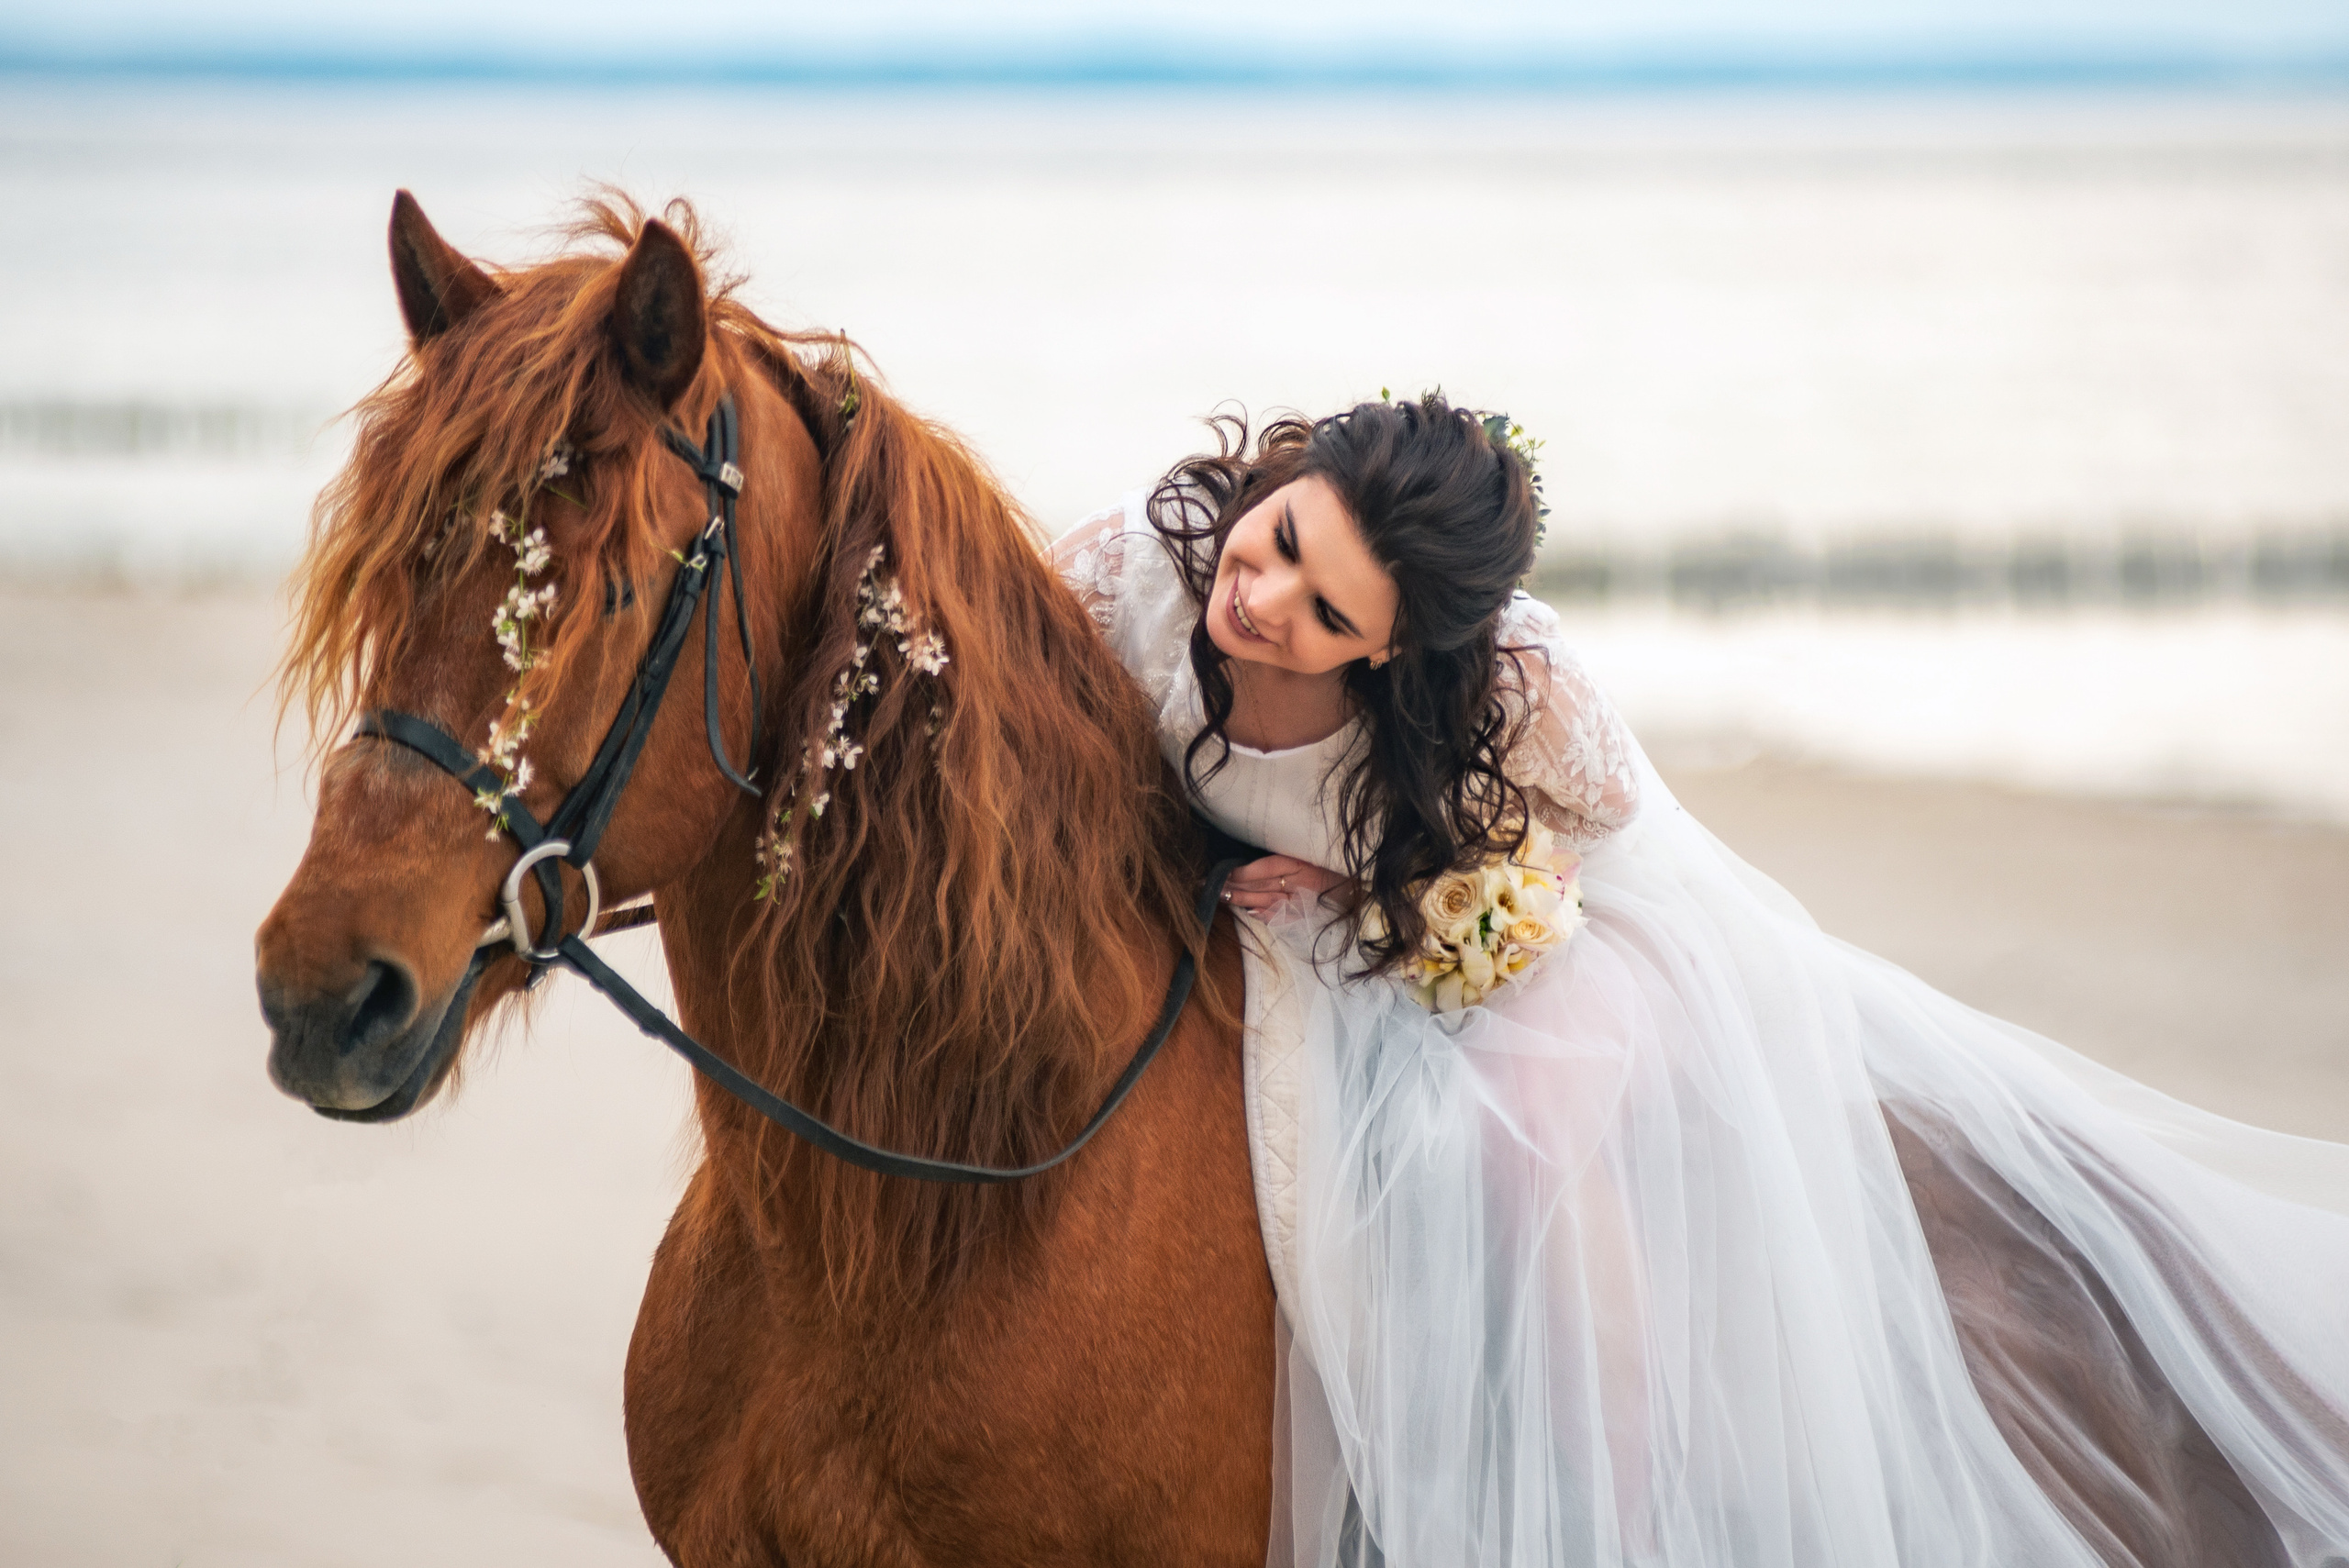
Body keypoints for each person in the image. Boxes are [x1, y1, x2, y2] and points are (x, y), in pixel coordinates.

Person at [1051, 393, 2349, 1568]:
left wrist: (1372, 890)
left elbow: (1600, 837)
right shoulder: (1143, 564)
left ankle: (1608, 1500)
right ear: (1282, 482)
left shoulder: (1507, 699)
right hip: (1241, 923)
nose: (1266, 598)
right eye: (1280, 539)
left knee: (1509, 1141)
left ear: (1391, 652)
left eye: (1330, 612)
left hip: (1492, 943)